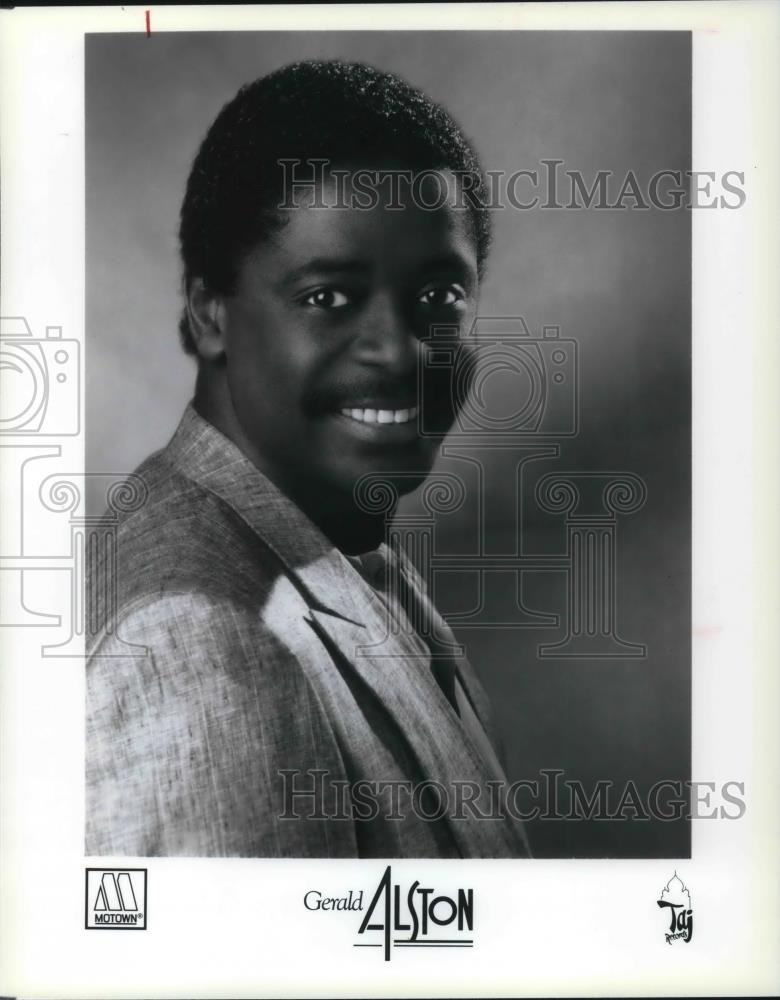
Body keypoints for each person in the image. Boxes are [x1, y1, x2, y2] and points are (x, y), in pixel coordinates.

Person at [86, 59, 530, 858]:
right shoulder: (197, 639)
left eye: (440, 297)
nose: (398, 353)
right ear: (208, 312)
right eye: (328, 297)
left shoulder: (343, 551)